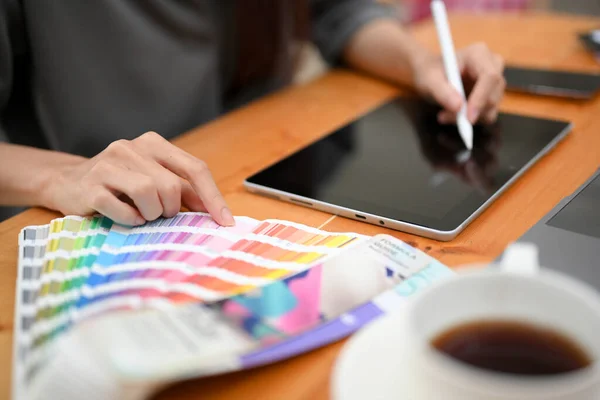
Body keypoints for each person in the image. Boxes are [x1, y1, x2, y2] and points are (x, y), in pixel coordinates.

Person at [0, 0, 505, 226]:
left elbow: (335, 11)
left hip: (267, 188)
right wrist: (62, 174)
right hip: (101, 221)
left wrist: (420, 62)